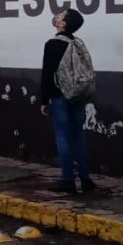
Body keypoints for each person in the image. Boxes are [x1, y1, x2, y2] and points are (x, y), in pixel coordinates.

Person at [40, 10, 94, 193]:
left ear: (63, 24)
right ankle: (86, 179)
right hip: (78, 95)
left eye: (60, 15)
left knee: (63, 137)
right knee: (78, 136)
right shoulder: (78, 43)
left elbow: (47, 75)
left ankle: (67, 179)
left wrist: (43, 100)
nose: (56, 16)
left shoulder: (53, 44)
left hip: (59, 95)